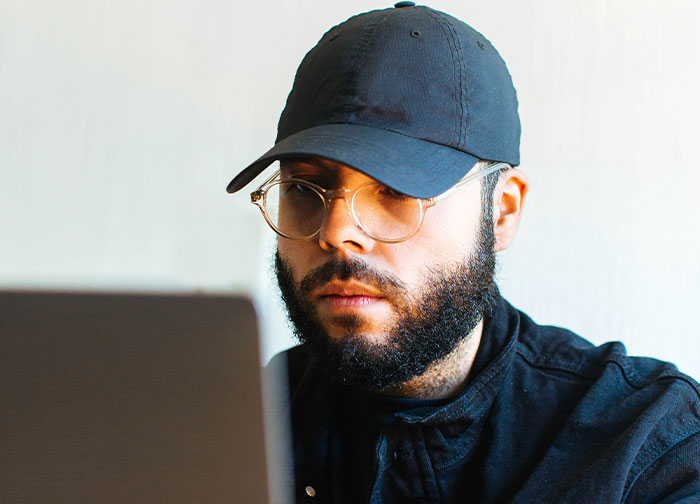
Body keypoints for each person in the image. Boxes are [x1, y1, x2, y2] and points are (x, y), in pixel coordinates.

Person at [227, 3, 700, 502]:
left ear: (502, 213)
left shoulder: (645, 444)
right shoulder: (225, 425)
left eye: (395, 189)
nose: (337, 231)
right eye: (304, 188)